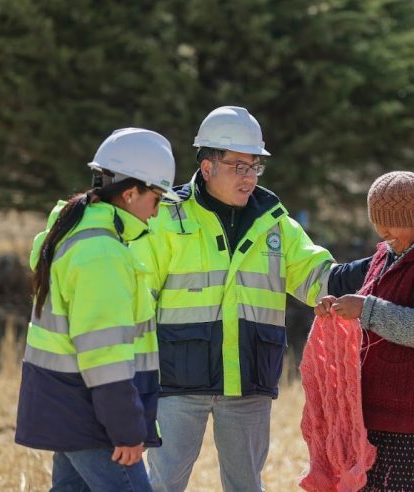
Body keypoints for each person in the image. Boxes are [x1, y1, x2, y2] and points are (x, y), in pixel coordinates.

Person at [130, 106, 335, 491]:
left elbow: (317, 277)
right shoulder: (168, 217)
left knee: (246, 486)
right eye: (238, 166)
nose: (249, 177)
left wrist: (374, 273)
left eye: (254, 166)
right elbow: (139, 296)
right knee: (162, 484)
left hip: (249, 378)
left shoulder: (275, 222)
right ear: (207, 167)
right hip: (176, 379)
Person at [15, 128, 179, 491]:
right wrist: (126, 430)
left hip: (72, 410)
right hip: (92, 418)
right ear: (131, 192)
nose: (157, 212)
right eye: (157, 199)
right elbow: (103, 354)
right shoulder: (102, 254)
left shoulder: (78, 233)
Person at [315, 171, 414, 491]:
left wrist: (365, 309)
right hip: (371, 411)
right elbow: (366, 310)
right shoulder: (386, 254)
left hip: (412, 418)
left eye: (391, 222)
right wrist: (338, 309)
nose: (382, 231)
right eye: (378, 222)